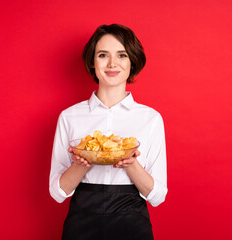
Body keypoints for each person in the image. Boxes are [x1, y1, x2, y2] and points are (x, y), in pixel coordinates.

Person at [49, 23, 167, 240]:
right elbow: (57, 193)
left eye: (122, 55)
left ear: (132, 61)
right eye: (103, 55)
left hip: (132, 223)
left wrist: (131, 163)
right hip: (81, 224)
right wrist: (79, 164)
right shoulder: (69, 116)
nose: (112, 63)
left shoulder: (151, 119)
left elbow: (158, 196)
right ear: (93, 62)